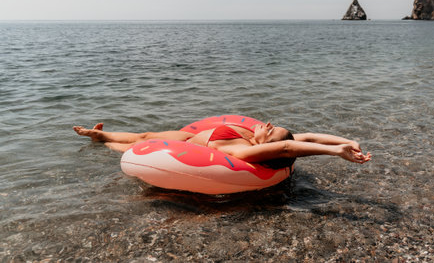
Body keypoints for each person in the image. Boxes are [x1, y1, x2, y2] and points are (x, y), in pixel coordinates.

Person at [73, 121, 371, 166]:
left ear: (266, 142)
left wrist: (336, 153)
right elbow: (307, 137)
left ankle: (100, 139)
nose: (266, 124)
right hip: (190, 138)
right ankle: (103, 133)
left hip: (192, 149)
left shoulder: (246, 150)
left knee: (133, 147)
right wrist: (350, 140)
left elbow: (288, 148)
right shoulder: (256, 137)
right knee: (143, 136)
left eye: (270, 128)